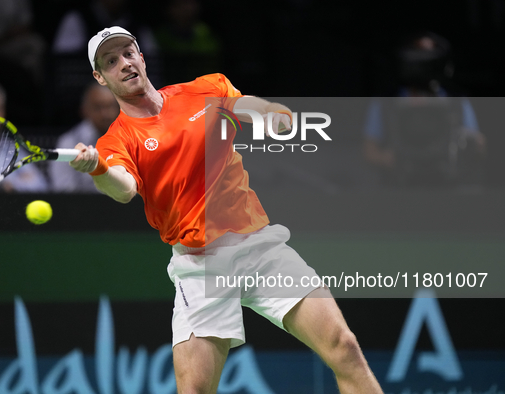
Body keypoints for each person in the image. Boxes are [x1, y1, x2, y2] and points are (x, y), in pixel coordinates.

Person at [69, 27, 384, 393]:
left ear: (140, 55)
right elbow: (122, 189)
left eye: (128, 53)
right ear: (100, 76)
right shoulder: (117, 139)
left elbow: (244, 106)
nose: (123, 64)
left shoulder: (204, 89)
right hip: (201, 265)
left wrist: (269, 112)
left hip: (259, 246)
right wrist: (97, 168)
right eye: (111, 61)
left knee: (344, 348)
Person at [363, 31, 486, 187]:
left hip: (446, 185)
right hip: (400, 187)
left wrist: (469, 147)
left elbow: (478, 145)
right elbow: (369, 151)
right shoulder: (386, 103)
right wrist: (393, 160)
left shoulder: (456, 102)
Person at [50, 83, 119, 193]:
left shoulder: (130, 139)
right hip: (80, 208)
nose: (105, 114)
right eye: (98, 107)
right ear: (84, 110)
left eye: (110, 106)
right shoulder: (68, 143)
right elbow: (63, 191)